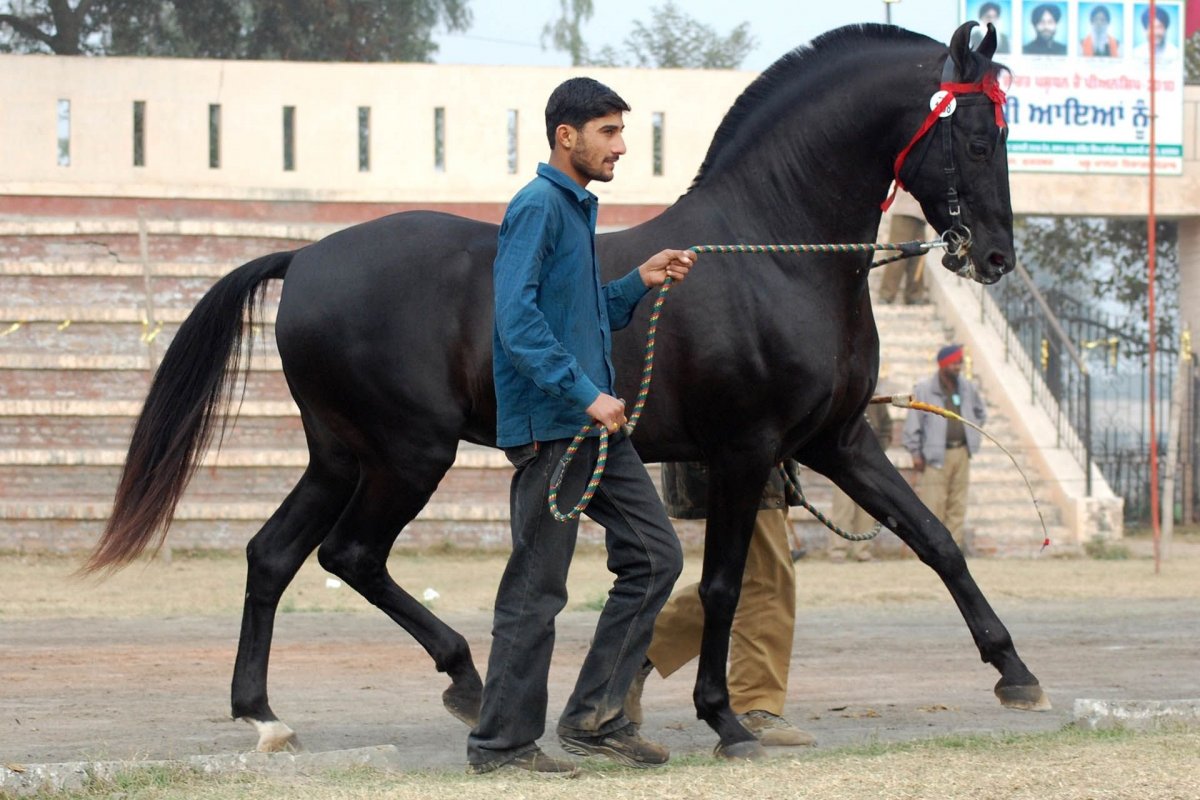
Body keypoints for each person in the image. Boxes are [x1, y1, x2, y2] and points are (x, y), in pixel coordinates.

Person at [468, 77, 697, 775]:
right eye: (608, 132)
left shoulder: (574, 208)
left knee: (656, 556)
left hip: (590, 427)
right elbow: (517, 320)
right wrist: (585, 393)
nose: (620, 147)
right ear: (566, 136)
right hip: (554, 426)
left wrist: (637, 282)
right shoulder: (538, 206)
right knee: (537, 589)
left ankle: (595, 717)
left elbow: (578, 311)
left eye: (620, 132)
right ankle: (501, 745)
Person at [624, 461, 815, 748]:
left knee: (743, 577)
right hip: (739, 454)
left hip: (752, 454)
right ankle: (754, 706)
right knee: (763, 574)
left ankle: (628, 652)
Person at [902, 344, 987, 551]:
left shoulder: (967, 387)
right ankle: (932, 550)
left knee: (958, 504)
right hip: (935, 456)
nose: (958, 367)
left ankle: (953, 549)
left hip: (962, 452)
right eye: (954, 363)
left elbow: (980, 412)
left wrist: (972, 434)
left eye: (960, 363)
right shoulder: (924, 389)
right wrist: (915, 453)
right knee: (933, 505)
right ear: (943, 365)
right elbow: (913, 424)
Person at [828, 401, 893, 562]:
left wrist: (878, 450)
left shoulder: (877, 401)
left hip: (868, 461)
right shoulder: (840, 397)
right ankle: (838, 550)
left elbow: (886, 427)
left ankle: (862, 551)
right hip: (842, 461)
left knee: (868, 510)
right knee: (842, 508)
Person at [879, 192, 928, 306]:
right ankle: (887, 294)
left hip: (921, 216)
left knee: (917, 258)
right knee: (896, 256)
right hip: (905, 212)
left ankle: (914, 295)